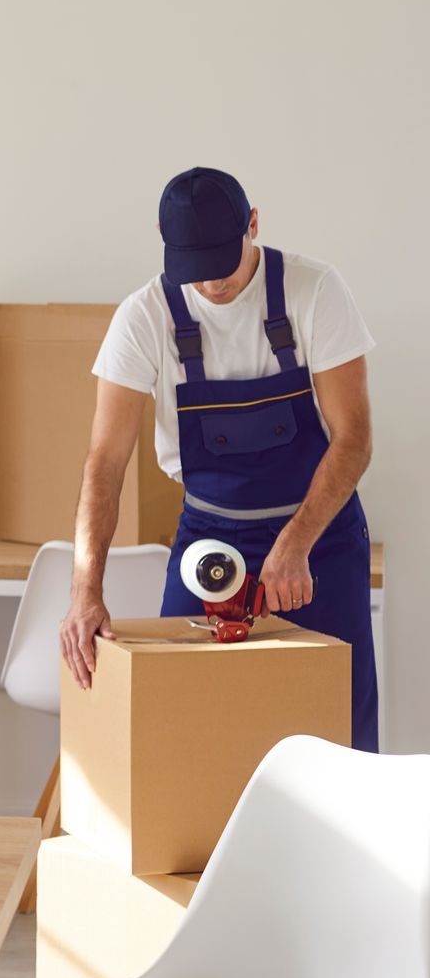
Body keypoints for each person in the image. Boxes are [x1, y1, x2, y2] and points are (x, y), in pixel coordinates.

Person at [59, 167, 377, 751]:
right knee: (180, 725)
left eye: (222, 265)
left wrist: (295, 543)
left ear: (253, 224)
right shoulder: (144, 316)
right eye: (195, 268)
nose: (210, 284)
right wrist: (85, 590)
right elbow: (105, 462)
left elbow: (353, 438)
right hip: (208, 541)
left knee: (337, 730)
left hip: (319, 539)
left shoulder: (314, 290)